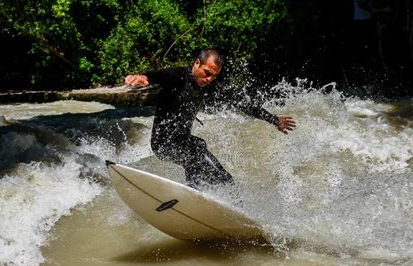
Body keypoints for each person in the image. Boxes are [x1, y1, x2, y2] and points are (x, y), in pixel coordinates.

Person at [125, 49, 296, 189]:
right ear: (197, 63)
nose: (209, 79)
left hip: (184, 144)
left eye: (214, 76)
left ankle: (219, 207)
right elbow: (162, 75)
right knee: (197, 147)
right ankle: (193, 190)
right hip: (163, 144)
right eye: (207, 73)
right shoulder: (179, 77)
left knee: (227, 182)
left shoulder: (210, 87)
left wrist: (274, 120)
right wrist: (145, 77)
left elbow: (242, 104)